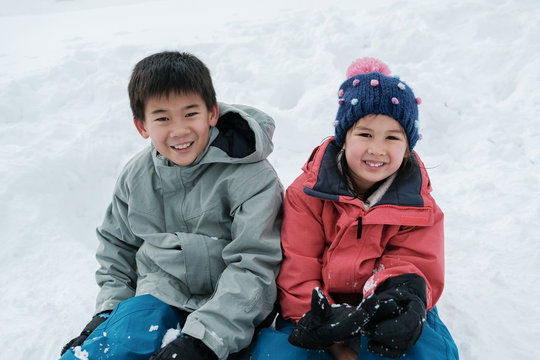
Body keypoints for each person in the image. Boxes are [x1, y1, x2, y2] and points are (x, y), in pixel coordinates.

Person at [59, 51, 283, 360]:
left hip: (233, 307)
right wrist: (108, 311)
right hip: (159, 296)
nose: (179, 130)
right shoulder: (136, 176)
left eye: (190, 114)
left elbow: (255, 264)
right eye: (163, 118)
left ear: (212, 114)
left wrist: (203, 339)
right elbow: (116, 249)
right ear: (142, 126)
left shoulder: (252, 176)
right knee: (111, 347)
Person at [251, 57, 458, 360]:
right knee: (280, 354)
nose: (377, 148)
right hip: (318, 307)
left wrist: (396, 300)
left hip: (386, 304)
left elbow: (412, 263)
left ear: (408, 145)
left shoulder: (419, 204)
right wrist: (331, 338)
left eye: (392, 137)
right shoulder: (307, 195)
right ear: (344, 138)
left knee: (423, 351)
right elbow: (299, 268)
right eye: (365, 134)